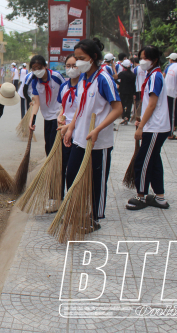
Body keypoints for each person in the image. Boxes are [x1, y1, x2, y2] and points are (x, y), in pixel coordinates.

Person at [61, 38, 123, 232]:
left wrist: (97, 129)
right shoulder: (83, 77)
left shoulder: (103, 78)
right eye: (76, 58)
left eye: (82, 58)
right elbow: (80, 107)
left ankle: (94, 218)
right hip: (80, 136)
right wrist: (71, 127)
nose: (78, 62)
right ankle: (76, 209)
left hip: (99, 141)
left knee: (97, 181)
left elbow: (118, 108)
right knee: (71, 174)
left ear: (94, 57)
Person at [126, 45, 171, 210]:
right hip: (156, 126)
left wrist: (141, 127)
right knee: (154, 160)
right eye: (141, 58)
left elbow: (152, 105)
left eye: (146, 58)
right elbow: (149, 105)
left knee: (142, 161)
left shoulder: (155, 77)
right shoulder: (152, 75)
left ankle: (141, 196)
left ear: (155, 60)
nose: (142, 61)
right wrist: (141, 121)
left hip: (155, 127)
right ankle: (159, 198)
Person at [28, 55, 65, 156]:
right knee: (48, 144)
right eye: (34, 69)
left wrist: (63, 112)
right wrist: (32, 118)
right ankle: (49, 166)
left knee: (54, 143)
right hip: (46, 116)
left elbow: (66, 92)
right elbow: (37, 102)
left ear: (45, 66)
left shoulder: (56, 77)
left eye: (39, 68)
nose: (37, 71)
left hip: (58, 114)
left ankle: (57, 167)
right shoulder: (35, 81)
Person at [56, 54, 80, 200]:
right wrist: (60, 117)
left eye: (74, 65)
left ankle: (74, 200)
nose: (71, 69)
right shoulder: (64, 86)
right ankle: (61, 199)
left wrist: (71, 126)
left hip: (78, 131)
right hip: (64, 130)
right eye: (68, 66)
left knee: (74, 170)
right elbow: (63, 107)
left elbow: (85, 111)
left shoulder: (85, 86)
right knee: (62, 167)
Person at [164, 53, 177, 140]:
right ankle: (170, 133)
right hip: (172, 92)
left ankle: (166, 130)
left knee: (167, 112)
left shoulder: (169, 67)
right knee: (172, 113)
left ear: (171, 59)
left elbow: (164, 76)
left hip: (166, 91)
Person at [117, 59, 136, 124]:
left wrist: (119, 84)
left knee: (122, 105)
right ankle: (127, 117)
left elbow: (115, 78)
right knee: (129, 105)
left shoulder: (122, 74)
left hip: (123, 91)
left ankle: (124, 117)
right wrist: (134, 93)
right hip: (130, 92)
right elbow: (134, 84)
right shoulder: (133, 75)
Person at [132, 56, 146, 122]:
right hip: (144, 88)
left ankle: (136, 116)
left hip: (137, 88)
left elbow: (133, 79)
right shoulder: (145, 68)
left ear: (134, 62)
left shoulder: (135, 69)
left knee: (137, 103)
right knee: (143, 103)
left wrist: (133, 92)